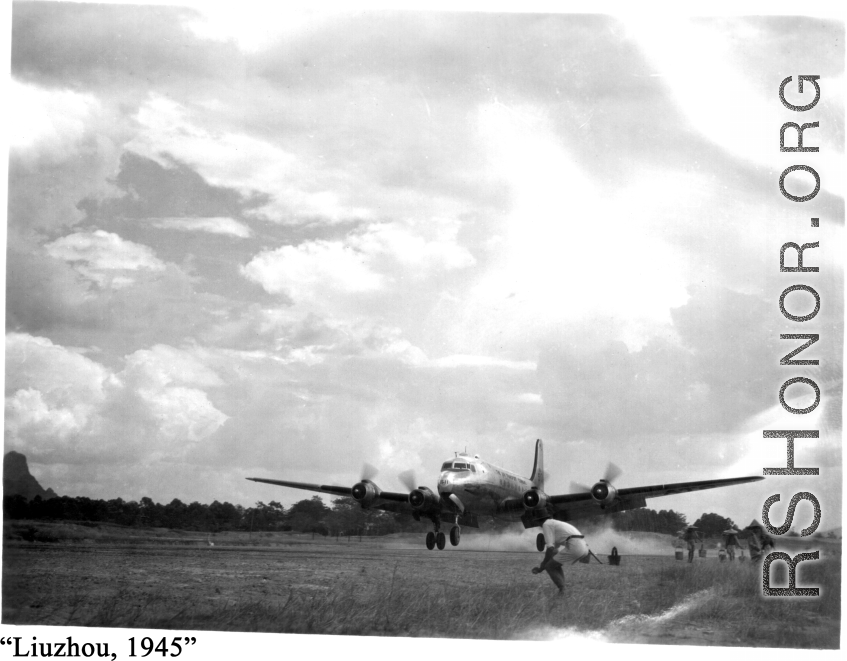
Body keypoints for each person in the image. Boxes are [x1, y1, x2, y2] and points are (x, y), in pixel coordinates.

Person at [530, 509, 590, 594]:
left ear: (538, 521)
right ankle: (563, 588)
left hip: (575, 546)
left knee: (549, 566)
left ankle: (562, 590)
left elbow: (550, 548)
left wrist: (543, 565)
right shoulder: (554, 524)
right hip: (583, 547)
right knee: (554, 565)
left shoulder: (546, 524)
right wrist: (541, 568)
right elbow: (554, 552)